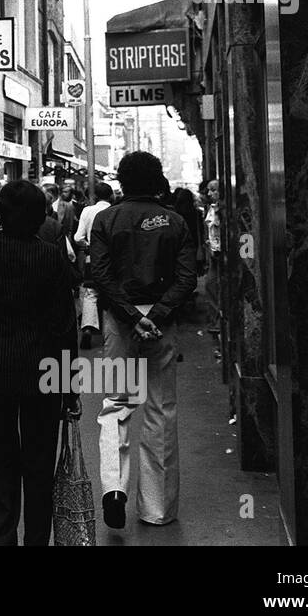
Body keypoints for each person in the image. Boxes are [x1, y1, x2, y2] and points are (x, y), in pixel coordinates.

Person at [0, 181, 79, 545]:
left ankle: (1, 537)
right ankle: (36, 539)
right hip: (44, 371)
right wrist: (69, 387)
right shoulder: (51, 256)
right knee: (39, 463)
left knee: (0, 460)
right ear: (40, 218)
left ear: (0, 212)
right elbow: (65, 326)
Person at [90, 151, 197, 529]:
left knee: (115, 405)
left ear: (121, 181)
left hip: (120, 321)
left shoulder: (106, 219)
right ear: (157, 182)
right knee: (160, 408)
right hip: (161, 322)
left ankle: (113, 489)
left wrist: (132, 317)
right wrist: (155, 316)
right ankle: (156, 508)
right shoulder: (176, 222)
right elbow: (187, 279)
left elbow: (100, 275)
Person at [72, 182, 115, 348]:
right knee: (112, 292)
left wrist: (89, 246)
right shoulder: (115, 211)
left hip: (93, 258)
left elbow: (77, 237)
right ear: (110, 195)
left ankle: (88, 328)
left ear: (95, 196)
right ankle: (109, 334)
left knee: (91, 293)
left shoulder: (87, 211)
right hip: (113, 259)